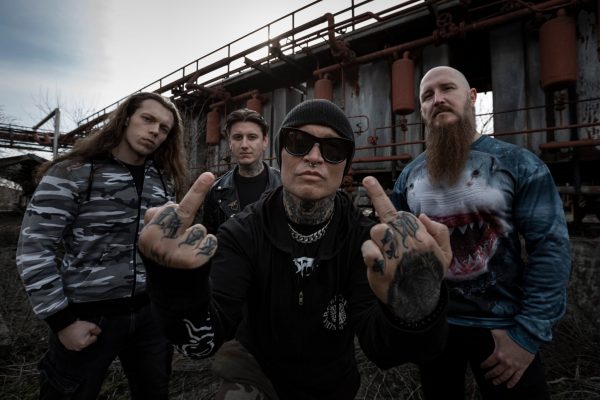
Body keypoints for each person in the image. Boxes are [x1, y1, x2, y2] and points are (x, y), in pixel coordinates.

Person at [138, 99, 452, 400]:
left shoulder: (364, 241)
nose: (313, 157)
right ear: (280, 155)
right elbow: (201, 343)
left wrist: (416, 309)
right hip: (255, 370)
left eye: (332, 149)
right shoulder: (242, 232)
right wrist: (176, 286)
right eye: (299, 143)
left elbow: (384, 350)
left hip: (332, 383)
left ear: (345, 166)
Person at [391, 66, 571, 399]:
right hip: (435, 330)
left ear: (472, 97)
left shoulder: (519, 163)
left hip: (503, 331)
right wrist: (412, 323)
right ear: (422, 110)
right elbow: (401, 253)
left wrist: (527, 336)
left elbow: (551, 248)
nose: (438, 99)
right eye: (427, 96)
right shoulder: (408, 177)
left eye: (448, 89)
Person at [16, 92, 189, 400]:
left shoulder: (162, 180)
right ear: (125, 119)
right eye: (147, 119)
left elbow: (162, 247)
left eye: (164, 128)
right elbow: (34, 249)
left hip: (149, 315)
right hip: (87, 316)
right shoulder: (74, 171)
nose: (155, 131)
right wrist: (61, 322)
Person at [201, 108, 281, 234]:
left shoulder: (284, 184)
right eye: (238, 137)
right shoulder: (216, 191)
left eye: (252, 137)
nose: (244, 145)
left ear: (265, 141)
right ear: (230, 143)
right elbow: (209, 238)